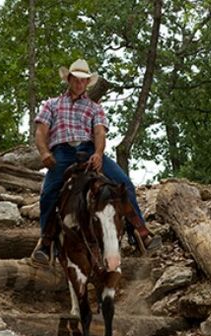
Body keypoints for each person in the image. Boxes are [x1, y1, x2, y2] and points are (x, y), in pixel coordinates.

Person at [31, 58, 160, 265]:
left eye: (84, 80)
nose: (80, 83)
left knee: (123, 184)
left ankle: (140, 232)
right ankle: (46, 243)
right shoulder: (51, 104)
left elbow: (99, 132)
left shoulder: (94, 107)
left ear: (87, 82)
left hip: (89, 149)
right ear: (69, 79)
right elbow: (41, 131)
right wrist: (45, 153)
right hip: (62, 152)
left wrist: (99, 153)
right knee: (48, 194)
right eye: (76, 79)